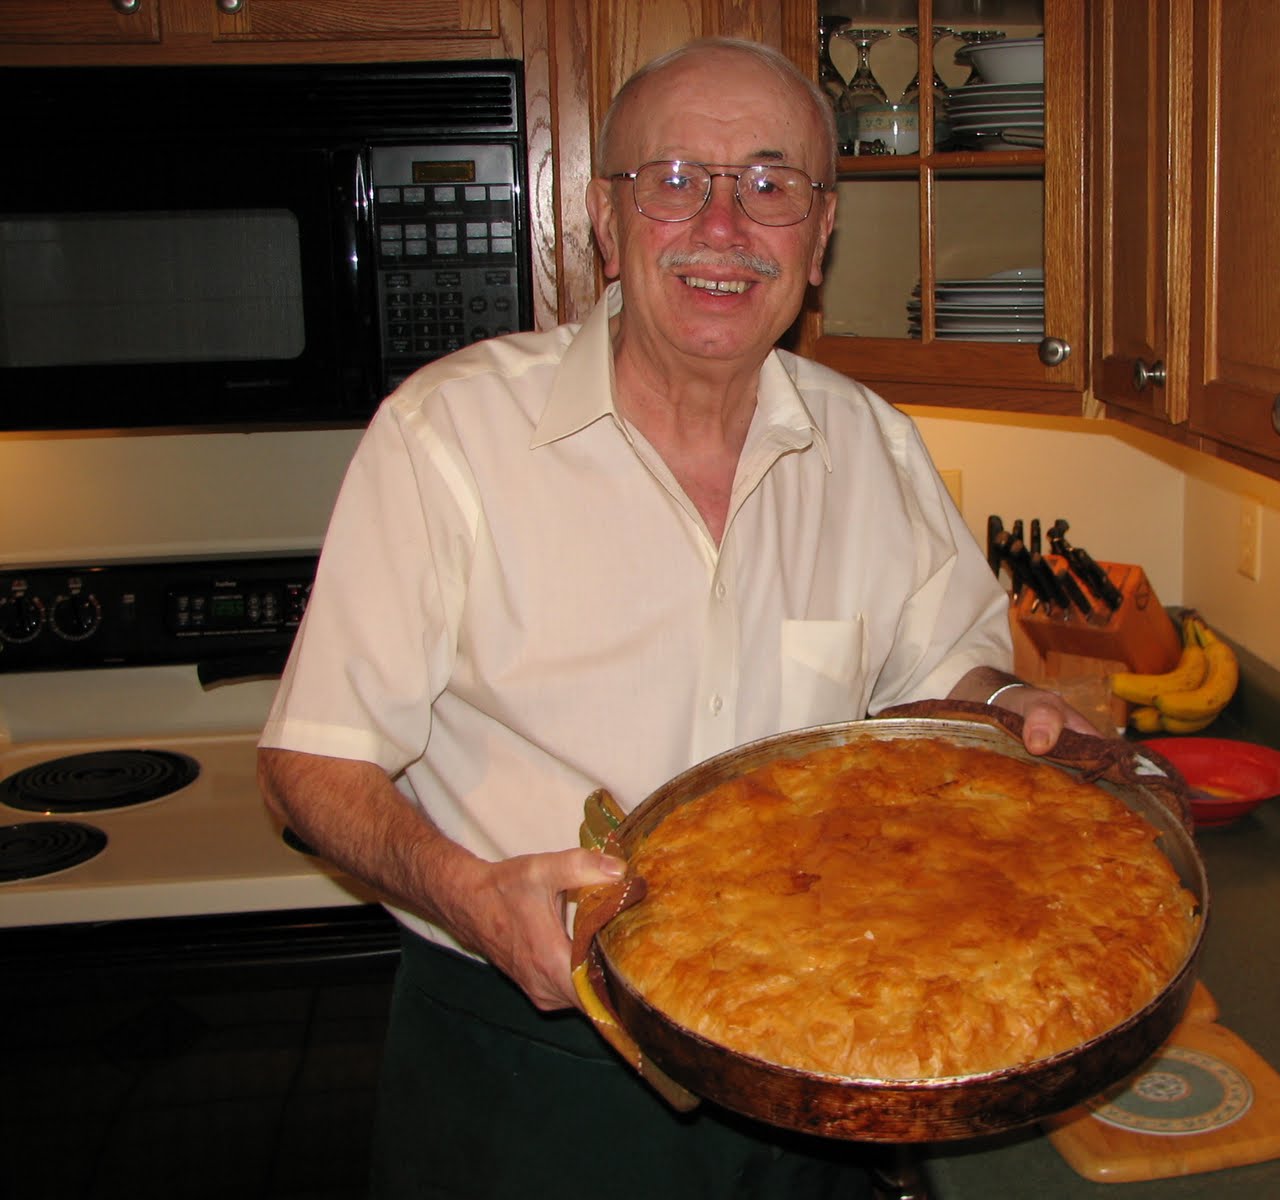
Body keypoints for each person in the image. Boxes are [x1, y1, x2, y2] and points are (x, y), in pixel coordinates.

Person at [257, 36, 1092, 1200]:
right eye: (674, 181)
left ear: (819, 237)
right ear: (606, 222)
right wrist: (465, 892)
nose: (722, 226)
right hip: (529, 1056)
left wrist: (1007, 702)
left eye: (768, 184)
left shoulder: (870, 444)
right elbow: (313, 760)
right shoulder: (448, 437)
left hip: (816, 1046)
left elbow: (942, 671)